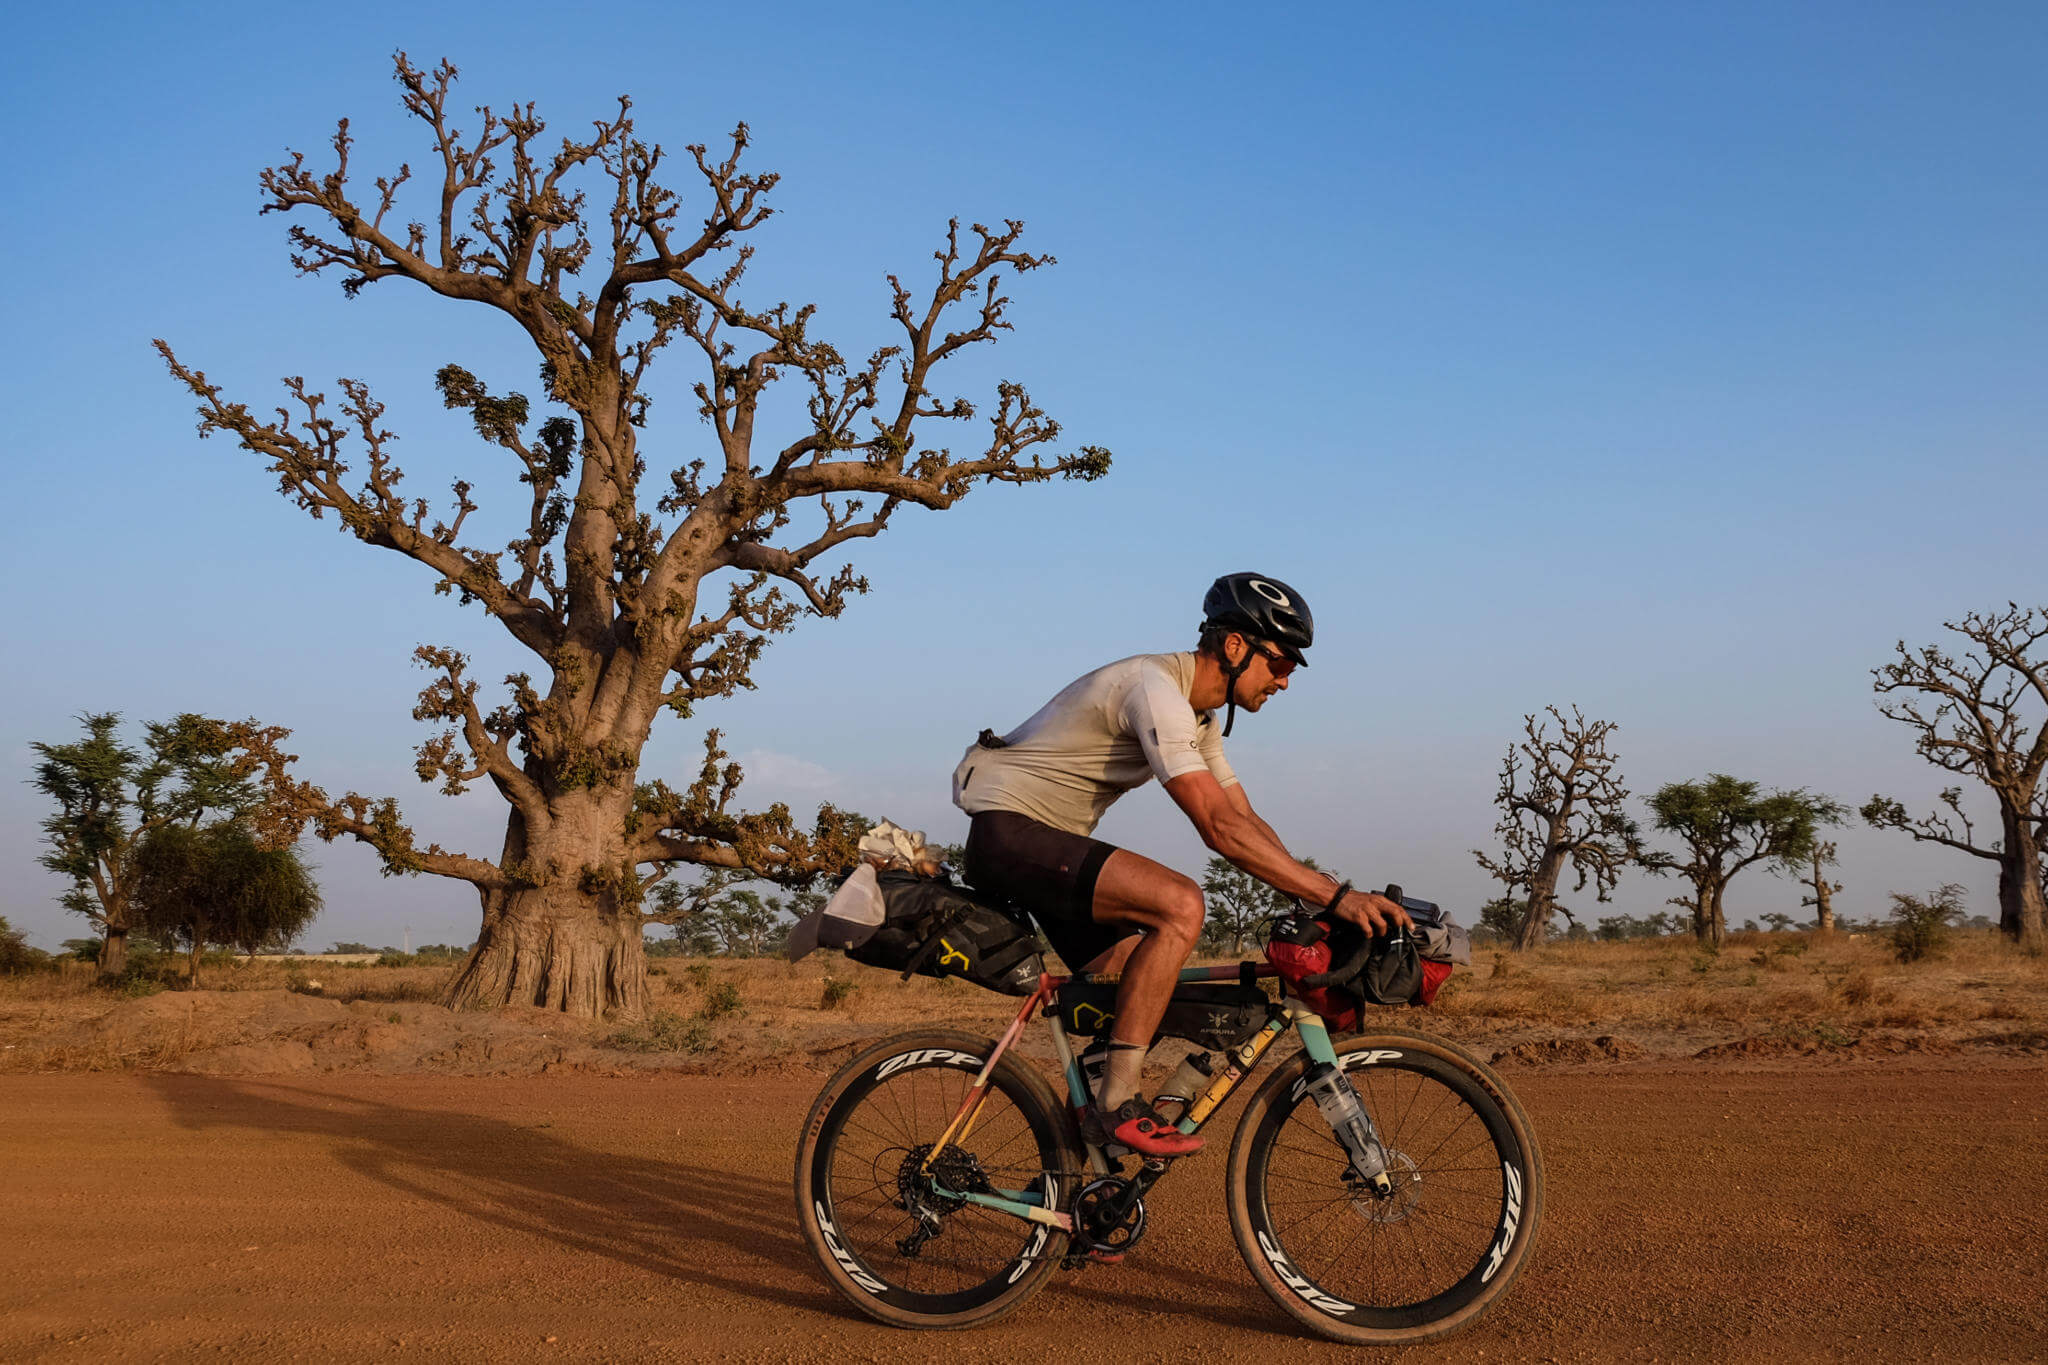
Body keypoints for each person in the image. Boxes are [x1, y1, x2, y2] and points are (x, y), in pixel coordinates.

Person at [952, 573, 1412, 1157]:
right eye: (1279, 662)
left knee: (1143, 985)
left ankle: (1086, 1181)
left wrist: (1315, 895)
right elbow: (1218, 831)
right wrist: (1335, 897)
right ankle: (1117, 1102)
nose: (1285, 680)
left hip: (1044, 846)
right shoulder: (1155, 690)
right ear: (1237, 646)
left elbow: (1243, 819)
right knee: (1180, 904)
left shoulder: (1202, 721)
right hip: (1009, 834)